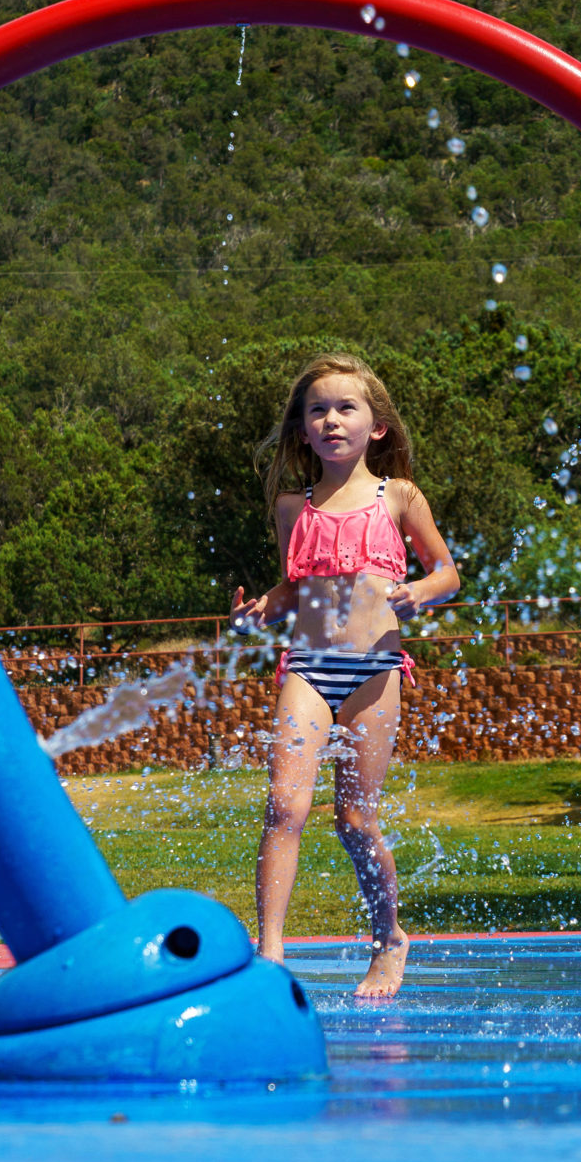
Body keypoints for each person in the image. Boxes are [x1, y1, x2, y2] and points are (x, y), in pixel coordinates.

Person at [229, 353, 459, 998]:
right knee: (284, 807)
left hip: (375, 670)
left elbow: (448, 571)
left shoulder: (399, 497)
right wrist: (260, 609)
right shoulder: (289, 507)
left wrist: (422, 591)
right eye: (318, 410)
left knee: (355, 820)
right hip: (307, 667)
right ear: (301, 430)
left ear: (376, 426)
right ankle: (269, 954)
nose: (332, 419)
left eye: (346, 407)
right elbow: (292, 589)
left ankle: (391, 938)